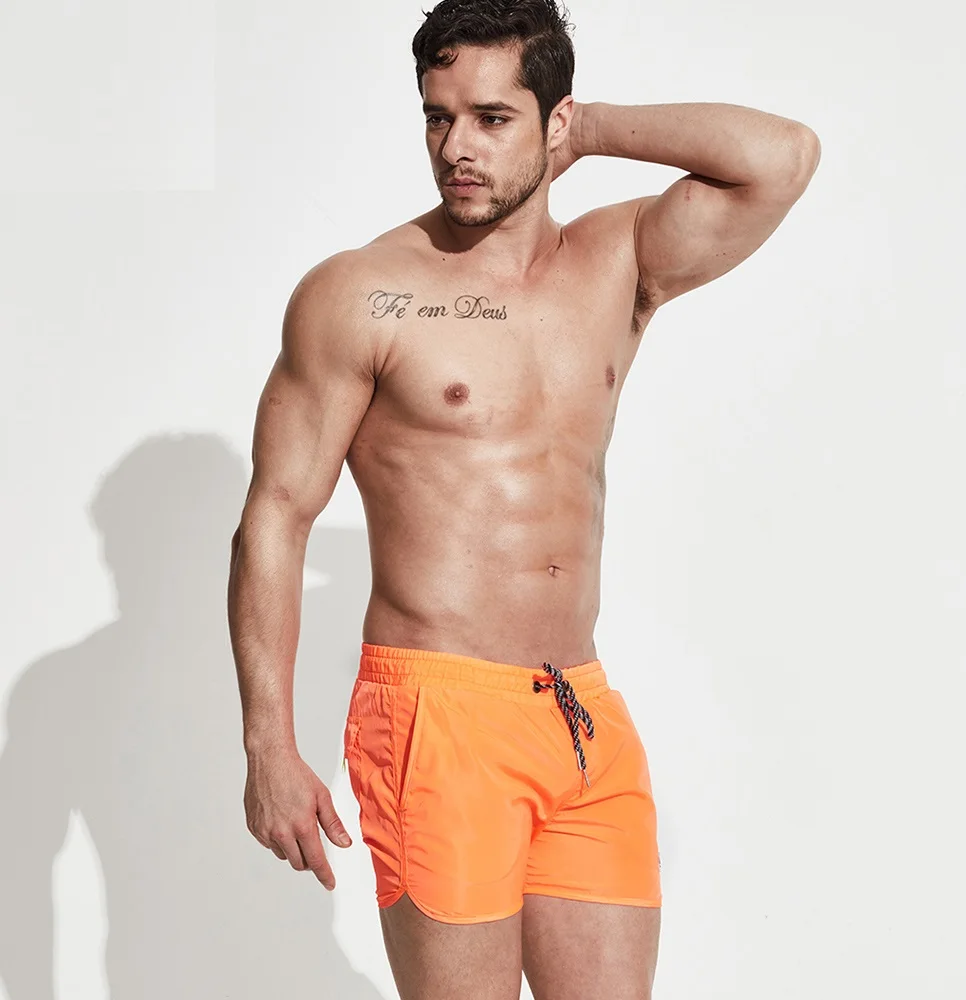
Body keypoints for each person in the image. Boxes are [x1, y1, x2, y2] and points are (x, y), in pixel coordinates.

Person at [227, 0, 820, 996]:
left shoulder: (618, 262)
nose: (456, 148)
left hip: (578, 711)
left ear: (554, 121)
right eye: (438, 116)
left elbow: (783, 158)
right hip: (437, 713)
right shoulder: (363, 293)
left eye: (493, 118)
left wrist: (590, 131)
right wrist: (268, 745)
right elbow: (275, 516)